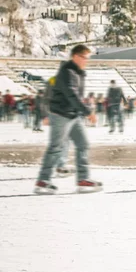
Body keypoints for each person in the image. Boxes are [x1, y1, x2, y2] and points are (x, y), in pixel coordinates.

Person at [34, 45, 103, 194]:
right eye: (85, 58)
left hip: (73, 114)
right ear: (76, 56)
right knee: (55, 147)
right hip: (61, 114)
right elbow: (71, 94)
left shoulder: (78, 72)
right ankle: (43, 181)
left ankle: (83, 180)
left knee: (83, 144)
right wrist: (87, 111)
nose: (86, 61)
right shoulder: (67, 72)